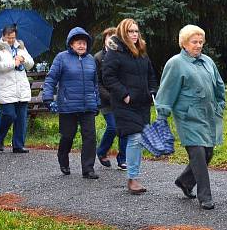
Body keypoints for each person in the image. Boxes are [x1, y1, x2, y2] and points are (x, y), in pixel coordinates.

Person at [155, 25, 225, 210]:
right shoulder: (176, 63)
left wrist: (221, 102)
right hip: (187, 117)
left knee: (208, 152)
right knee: (198, 155)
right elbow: (166, 90)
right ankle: (205, 197)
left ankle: (185, 181)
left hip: (207, 115)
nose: (198, 45)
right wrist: (162, 115)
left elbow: (218, 84)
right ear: (184, 43)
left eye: (201, 42)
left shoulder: (208, 61)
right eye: (194, 42)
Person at [102, 19, 159, 193]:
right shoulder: (115, 52)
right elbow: (108, 77)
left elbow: (151, 73)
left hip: (143, 103)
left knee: (139, 139)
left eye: (136, 31)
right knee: (134, 138)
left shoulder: (141, 51)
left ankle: (134, 176)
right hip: (125, 104)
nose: (134, 34)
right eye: (130, 31)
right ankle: (133, 179)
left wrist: (152, 90)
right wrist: (125, 95)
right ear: (122, 33)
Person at [43, 27, 100, 179]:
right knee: (68, 136)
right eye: (78, 43)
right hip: (68, 106)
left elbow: (95, 84)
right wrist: (48, 98)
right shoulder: (61, 58)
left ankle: (88, 169)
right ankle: (63, 157)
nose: (82, 45)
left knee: (90, 137)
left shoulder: (91, 60)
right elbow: (51, 79)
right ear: (71, 44)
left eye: (84, 43)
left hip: (87, 105)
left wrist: (97, 102)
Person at [0, 25, 34, 153]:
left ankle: (18, 145)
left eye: (13, 37)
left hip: (21, 87)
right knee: (9, 114)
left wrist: (23, 59)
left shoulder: (20, 47)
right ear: (3, 36)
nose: (11, 40)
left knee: (21, 118)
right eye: (9, 38)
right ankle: (1, 136)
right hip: (5, 88)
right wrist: (12, 64)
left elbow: (31, 64)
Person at [94, 27, 128, 170]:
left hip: (122, 98)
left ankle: (123, 159)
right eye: (110, 37)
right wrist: (110, 96)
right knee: (113, 127)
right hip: (106, 100)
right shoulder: (98, 58)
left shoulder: (123, 56)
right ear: (105, 40)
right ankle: (101, 151)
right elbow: (97, 82)